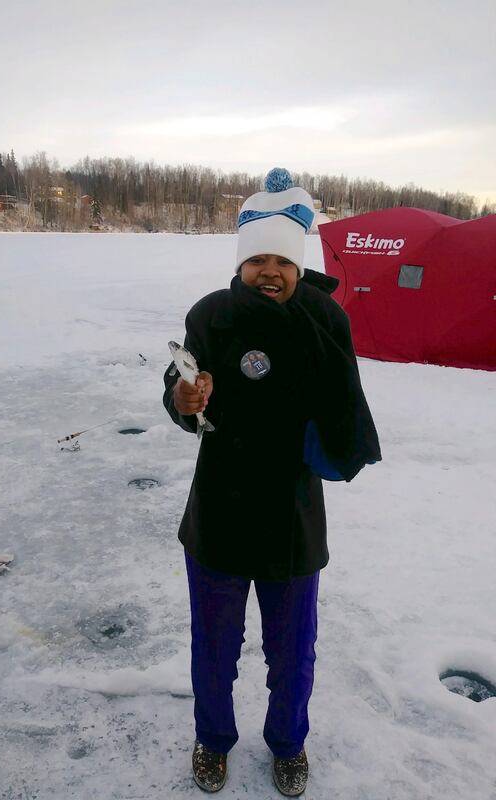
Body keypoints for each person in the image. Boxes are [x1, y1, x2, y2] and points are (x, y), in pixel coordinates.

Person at [163, 168, 381, 796]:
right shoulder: (210, 315)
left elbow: (346, 406)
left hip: (292, 517)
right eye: (256, 258)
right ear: (240, 263)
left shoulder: (324, 317)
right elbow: (180, 399)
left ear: (298, 263)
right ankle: (213, 740)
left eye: (281, 260)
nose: (268, 271)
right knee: (214, 650)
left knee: (293, 655)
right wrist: (185, 400)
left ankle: (288, 743)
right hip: (219, 515)